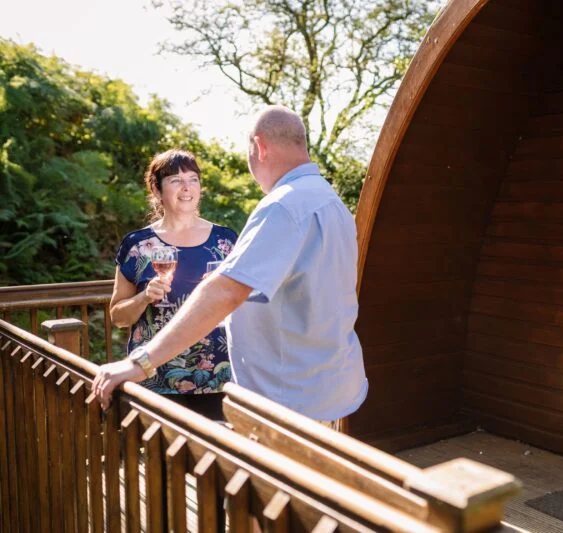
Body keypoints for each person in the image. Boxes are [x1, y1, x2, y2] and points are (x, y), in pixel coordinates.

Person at [93, 106, 368, 429]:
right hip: (328, 387)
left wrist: (140, 363)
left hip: (289, 402)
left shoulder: (283, 206)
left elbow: (224, 292)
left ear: (259, 146)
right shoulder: (332, 203)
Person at [109, 148, 238, 419]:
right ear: (157, 189)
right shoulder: (138, 245)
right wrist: (143, 297)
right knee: (160, 459)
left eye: (193, 179)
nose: (187, 188)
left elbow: (244, 302)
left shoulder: (226, 242)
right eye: (175, 181)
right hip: (154, 378)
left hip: (218, 376)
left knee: (215, 458)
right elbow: (117, 316)